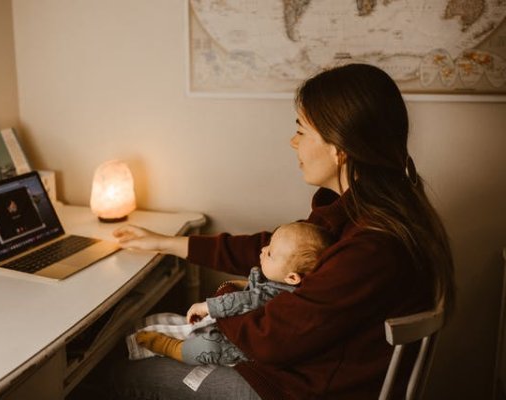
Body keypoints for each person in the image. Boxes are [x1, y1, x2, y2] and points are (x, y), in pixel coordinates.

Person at [105, 63, 456, 400]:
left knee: (126, 375)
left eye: (301, 130)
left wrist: (229, 294)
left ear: (339, 150)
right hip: (308, 371)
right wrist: (169, 243)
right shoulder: (365, 210)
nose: (293, 142)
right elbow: (277, 249)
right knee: (154, 342)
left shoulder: (371, 248)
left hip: (303, 390)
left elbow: (266, 340)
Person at [134, 221, 333, 366]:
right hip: (235, 325)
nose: (263, 250)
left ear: (292, 278)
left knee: (209, 348)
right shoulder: (275, 278)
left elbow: (245, 299)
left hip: (241, 347)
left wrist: (206, 306)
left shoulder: (281, 296)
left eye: (270, 253)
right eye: (269, 244)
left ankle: (172, 348)